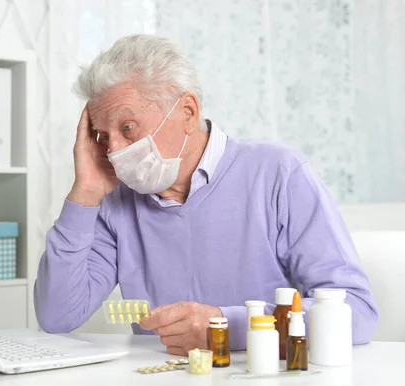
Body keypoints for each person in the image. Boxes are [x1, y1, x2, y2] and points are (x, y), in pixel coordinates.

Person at [33, 34, 378, 355]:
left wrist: (225, 328)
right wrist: (85, 194)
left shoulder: (278, 173)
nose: (113, 151)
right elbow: (57, 316)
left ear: (188, 112)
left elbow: (357, 311)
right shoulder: (114, 201)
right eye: (103, 136)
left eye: (126, 128)